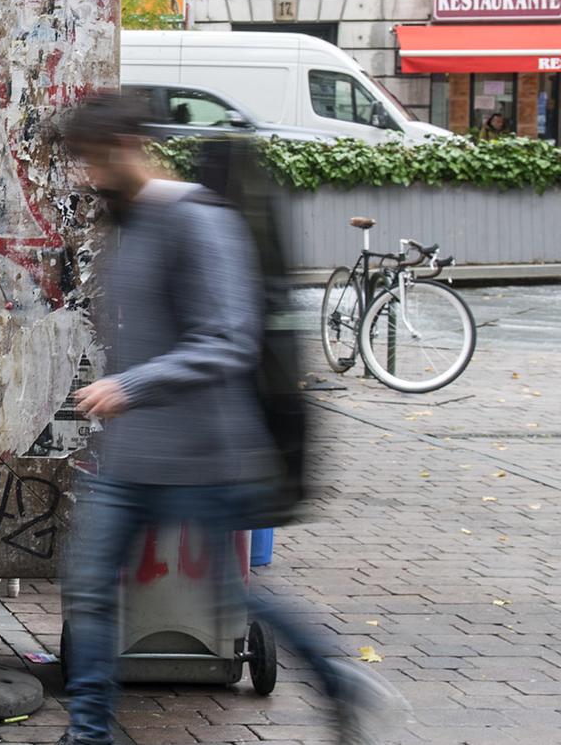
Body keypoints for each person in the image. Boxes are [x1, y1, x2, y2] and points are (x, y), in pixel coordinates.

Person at [55, 91, 402, 745]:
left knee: (231, 597)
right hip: (130, 453)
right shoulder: (125, 222)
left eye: (93, 160)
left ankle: (334, 677)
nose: (87, 175)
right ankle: (89, 731)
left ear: (127, 148)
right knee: (91, 586)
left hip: (203, 453)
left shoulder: (198, 218)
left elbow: (229, 339)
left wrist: (130, 384)